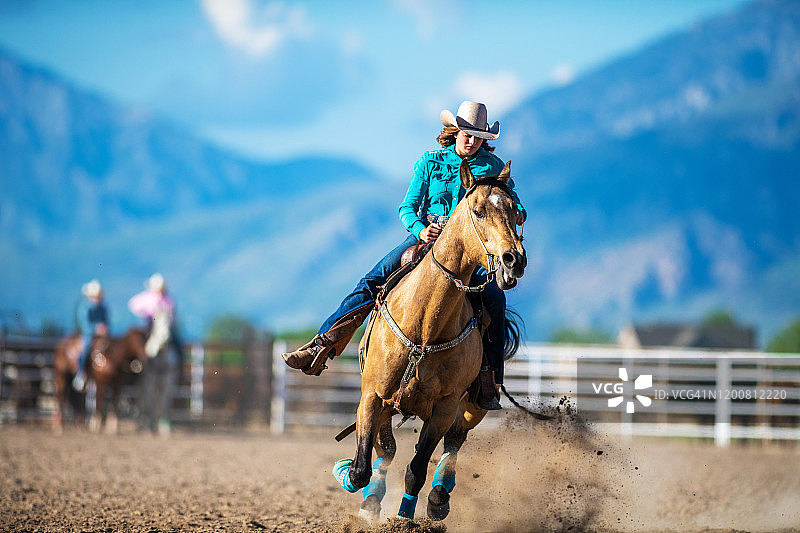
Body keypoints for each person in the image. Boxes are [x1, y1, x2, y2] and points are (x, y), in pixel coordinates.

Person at [282, 101, 526, 410]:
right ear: (456, 131)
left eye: (478, 136)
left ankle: (488, 380)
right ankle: (324, 344)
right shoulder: (430, 161)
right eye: (467, 133)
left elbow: (512, 201)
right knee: (372, 281)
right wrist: (421, 230)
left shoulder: (491, 168)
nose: (472, 141)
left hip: (468, 249)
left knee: (494, 298)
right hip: (426, 237)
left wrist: (516, 212)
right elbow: (407, 207)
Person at [128, 273, 184, 435]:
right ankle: (137, 367)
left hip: (166, 330)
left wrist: (170, 323)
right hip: (149, 329)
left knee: (178, 346)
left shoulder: (169, 301)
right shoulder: (146, 298)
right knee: (139, 348)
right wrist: (147, 315)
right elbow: (133, 306)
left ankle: (180, 369)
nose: (160, 291)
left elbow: (174, 317)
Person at [72, 279, 109, 391]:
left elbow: (106, 321)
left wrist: (104, 328)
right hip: (89, 334)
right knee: (86, 346)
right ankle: (81, 372)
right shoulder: (85, 306)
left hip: (102, 335)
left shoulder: (102, 307)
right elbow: (84, 324)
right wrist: (95, 329)